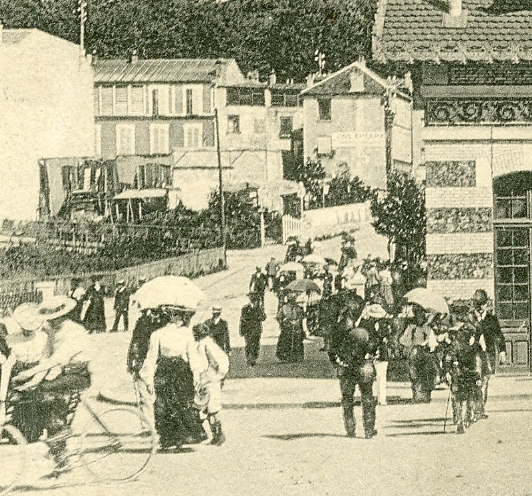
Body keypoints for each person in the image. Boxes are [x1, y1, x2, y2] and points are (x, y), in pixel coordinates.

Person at [140, 306, 207, 450]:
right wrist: (148, 379)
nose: (180, 319)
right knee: (168, 404)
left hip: (176, 371)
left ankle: (178, 438)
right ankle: (170, 438)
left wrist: (196, 374)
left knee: (177, 404)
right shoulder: (159, 334)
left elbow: (192, 356)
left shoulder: (182, 333)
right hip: (170, 371)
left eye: (181, 315)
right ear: (171, 316)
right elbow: (151, 358)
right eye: (177, 315)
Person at [329, 293, 379, 439]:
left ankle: (350, 428)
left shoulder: (340, 325)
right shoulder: (367, 324)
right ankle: (369, 429)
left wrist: (336, 361)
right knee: (368, 397)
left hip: (346, 365)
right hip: (363, 364)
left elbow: (332, 347)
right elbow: (375, 343)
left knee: (347, 398)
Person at [0, 303, 50, 443]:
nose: (27, 331)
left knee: (36, 399)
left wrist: (34, 381)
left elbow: (44, 363)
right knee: (15, 398)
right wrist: (2, 395)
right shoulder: (12, 339)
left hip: (38, 374)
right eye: (24, 328)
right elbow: (8, 365)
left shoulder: (44, 338)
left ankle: (35, 430)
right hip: (18, 375)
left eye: (30, 329)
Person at [467, 289, 506, 419]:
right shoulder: (469, 318)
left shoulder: (491, 319)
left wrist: (502, 351)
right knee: (475, 380)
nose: (481, 307)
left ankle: (480, 409)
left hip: (488, 353)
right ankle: (472, 409)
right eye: (478, 305)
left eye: (482, 304)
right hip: (473, 354)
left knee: (485, 381)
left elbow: (498, 335)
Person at [127, 308, 165, 432]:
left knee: (156, 397)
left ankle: (156, 425)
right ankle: (148, 426)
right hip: (142, 363)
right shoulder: (142, 322)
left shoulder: (163, 322)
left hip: (157, 364)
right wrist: (131, 362)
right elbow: (134, 343)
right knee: (144, 398)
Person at [193, 323, 230, 446]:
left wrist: (216, 376)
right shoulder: (201, 344)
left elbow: (221, 361)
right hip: (205, 381)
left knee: (213, 409)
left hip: (210, 381)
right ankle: (216, 436)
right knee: (208, 410)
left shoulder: (208, 344)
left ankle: (219, 435)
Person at [443, 323, 483, 434]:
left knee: (470, 399)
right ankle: (459, 421)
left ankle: (467, 417)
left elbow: (478, 363)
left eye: (467, 334)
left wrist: (478, 377)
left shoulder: (475, 346)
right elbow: (447, 359)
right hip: (458, 375)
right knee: (457, 399)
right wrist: (447, 372)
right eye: (462, 334)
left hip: (470, 375)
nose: (463, 336)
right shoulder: (454, 345)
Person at [399, 303, 439, 403]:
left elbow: (433, 341)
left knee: (427, 373)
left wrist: (428, 344)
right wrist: (410, 340)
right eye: (417, 314)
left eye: (421, 314)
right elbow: (403, 340)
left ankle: (426, 395)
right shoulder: (411, 327)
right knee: (414, 374)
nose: (419, 317)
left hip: (426, 353)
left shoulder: (427, 327)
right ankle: (417, 395)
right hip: (414, 352)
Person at [276, 291, 305, 362]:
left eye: (293, 300)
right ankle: (284, 356)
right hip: (287, 326)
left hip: (296, 326)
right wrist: (283, 321)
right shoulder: (284, 307)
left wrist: (297, 320)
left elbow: (301, 316)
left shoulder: (298, 308)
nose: (292, 302)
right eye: (290, 300)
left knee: (297, 339)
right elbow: (279, 317)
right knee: (284, 339)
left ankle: (297, 355)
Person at [239, 293, 266, 367]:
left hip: (257, 329)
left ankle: (254, 357)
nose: (253, 299)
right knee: (248, 343)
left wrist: (262, 312)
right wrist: (242, 330)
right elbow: (242, 319)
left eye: (255, 297)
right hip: (248, 329)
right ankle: (249, 358)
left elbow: (264, 318)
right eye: (252, 297)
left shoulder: (259, 308)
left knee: (256, 343)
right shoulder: (245, 308)